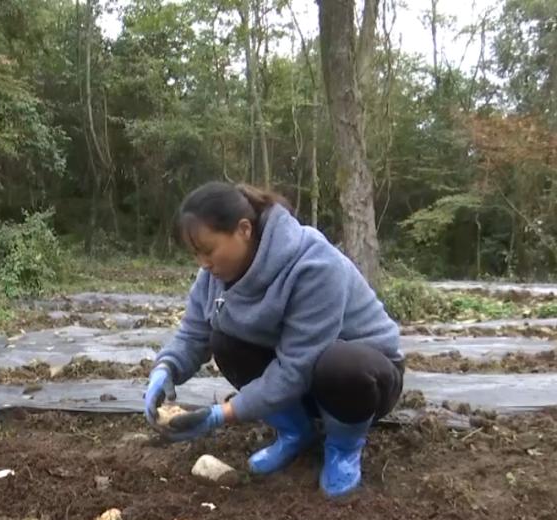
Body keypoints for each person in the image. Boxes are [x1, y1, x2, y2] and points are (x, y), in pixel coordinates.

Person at [144, 182, 403, 498]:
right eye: (195, 254)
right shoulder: (214, 277)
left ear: (243, 230)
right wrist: (165, 369)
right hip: (300, 380)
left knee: (339, 364)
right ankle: (296, 431)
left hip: (363, 381)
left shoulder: (314, 265)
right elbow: (193, 334)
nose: (203, 263)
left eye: (208, 250)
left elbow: (298, 366)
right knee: (223, 340)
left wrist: (221, 415)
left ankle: (343, 446)